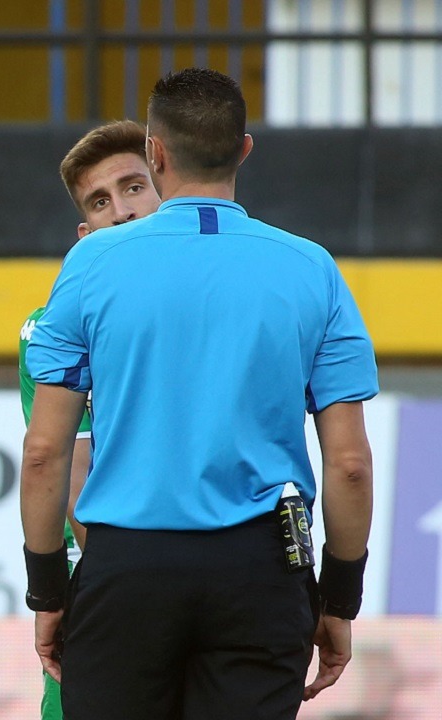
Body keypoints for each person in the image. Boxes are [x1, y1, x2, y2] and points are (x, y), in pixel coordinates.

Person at [22, 68, 377, 720]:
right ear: (243, 149)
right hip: (264, 569)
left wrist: (47, 592)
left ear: (155, 153)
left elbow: (46, 452)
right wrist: (339, 599)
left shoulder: (92, 264)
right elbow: (350, 463)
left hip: (128, 567)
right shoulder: (313, 269)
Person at [17, 119, 160, 720]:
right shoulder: (52, 326)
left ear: (170, 190)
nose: (121, 212)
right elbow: (66, 471)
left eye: (134, 187)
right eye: (100, 202)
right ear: (84, 235)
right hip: (108, 583)